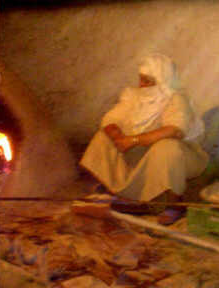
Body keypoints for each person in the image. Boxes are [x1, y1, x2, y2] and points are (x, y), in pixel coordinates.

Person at [80, 53, 209, 224]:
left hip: (182, 157)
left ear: (162, 81)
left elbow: (175, 130)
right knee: (103, 137)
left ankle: (173, 203)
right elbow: (111, 119)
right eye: (141, 79)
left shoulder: (176, 98)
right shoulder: (134, 96)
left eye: (148, 81)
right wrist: (117, 136)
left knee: (167, 147)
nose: (142, 85)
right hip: (143, 153)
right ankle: (114, 192)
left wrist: (133, 141)